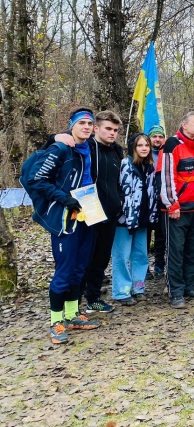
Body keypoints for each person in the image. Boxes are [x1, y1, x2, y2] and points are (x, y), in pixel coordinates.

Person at [23, 108, 101, 343]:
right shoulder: (61, 148)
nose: (86, 127)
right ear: (72, 125)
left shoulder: (90, 147)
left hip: (88, 211)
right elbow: (36, 180)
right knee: (64, 270)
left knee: (80, 268)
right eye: (81, 123)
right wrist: (63, 197)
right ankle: (56, 322)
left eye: (89, 123)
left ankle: (72, 314)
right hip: (66, 215)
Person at [49, 110, 124, 314]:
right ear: (96, 128)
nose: (112, 133)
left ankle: (93, 298)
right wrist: (54, 136)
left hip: (109, 214)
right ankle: (74, 304)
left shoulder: (117, 151)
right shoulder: (86, 146)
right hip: (85, 214)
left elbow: (117, 181)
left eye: (115, 130)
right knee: (83, 262)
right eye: (108, 128)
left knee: (100, 260)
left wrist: (120, 201)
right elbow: (64, 140)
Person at [159, 111, 194, 308]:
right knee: (176, 252)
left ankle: (189, 287)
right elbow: (165, 177)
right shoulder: (172, 145)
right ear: (184, 125)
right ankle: (176, 292)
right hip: (177, 210)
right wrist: (172, 204)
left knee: (193, 251)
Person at [111, 133, 159, 306]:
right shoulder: (125, 165)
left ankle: (138, 287)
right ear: (133, 147)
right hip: (125, 219)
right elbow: (120, 191)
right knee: (121, 255)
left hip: (143, 218)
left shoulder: (151, 167)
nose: (144, 148)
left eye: (147, 145)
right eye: (140, 145)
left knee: (141, 255)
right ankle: (121, 291)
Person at [147, 125, 167, 278]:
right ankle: (144, 267)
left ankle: (159, 265)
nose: (157, 139)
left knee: (161, 236)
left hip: (161, 201)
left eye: (160, 137)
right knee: (145, 237)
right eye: (155, 137)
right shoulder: (144, 154)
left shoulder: (166, 154)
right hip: (146, 202)